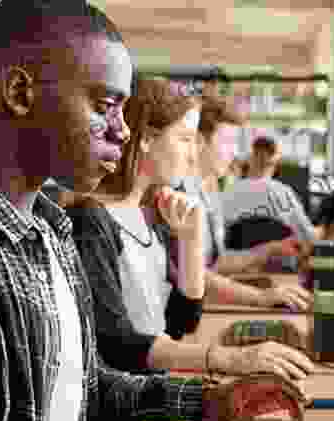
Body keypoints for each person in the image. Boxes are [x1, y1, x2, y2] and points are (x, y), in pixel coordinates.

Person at [0, 2, 313, 421]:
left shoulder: (49, 226)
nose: (123, 131)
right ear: (20, 92)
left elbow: (86, 386)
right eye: (104, 106)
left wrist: (208, 400)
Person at [61, 78, 313, 380]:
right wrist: (228, 358)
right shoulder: (89, 219)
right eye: (184, 139)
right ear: (145, 138)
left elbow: (182, 323)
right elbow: (116, 344)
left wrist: (191, 238)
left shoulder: (148, 215)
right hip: (129, 412)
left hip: (153, 389)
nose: (192, 155)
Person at [182, 95, 313, 311]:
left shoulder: (207, 193)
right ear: (199, 142)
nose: (234, 153)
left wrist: (267, 250)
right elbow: (193, 275)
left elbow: (214, 263)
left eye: (236, 144)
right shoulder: (182, 195)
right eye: (226, 142)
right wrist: (260, 297)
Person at [221, 135, 325, 243]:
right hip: (275, 258)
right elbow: (308, 236)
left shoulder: (228, 193)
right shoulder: (284, 193)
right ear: (275, 165)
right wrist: (324, 229)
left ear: (249, 160)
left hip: (237, 258)